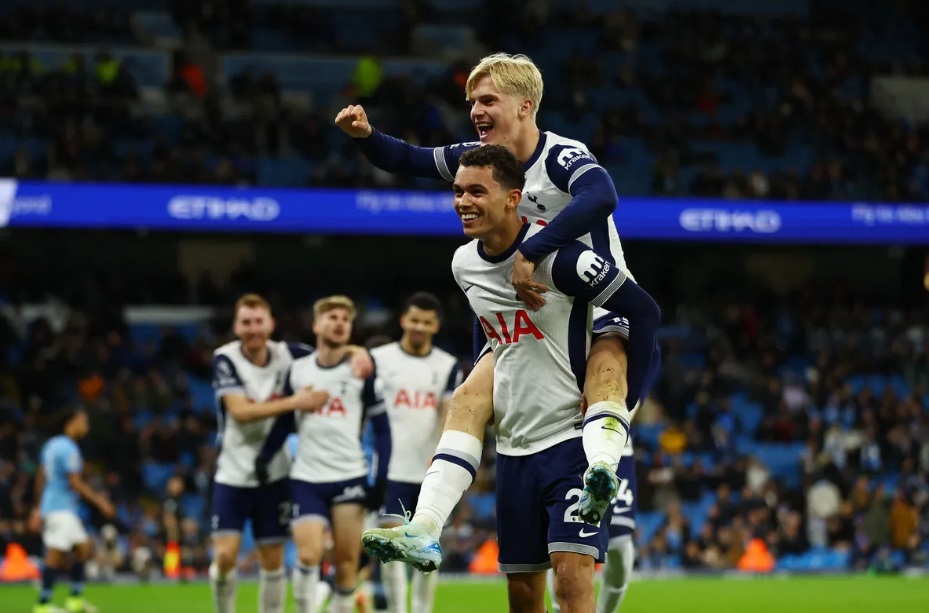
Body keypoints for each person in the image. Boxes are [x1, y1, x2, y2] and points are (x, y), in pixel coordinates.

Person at [338, 52, 657, 604]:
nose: (476, 111)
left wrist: (531, 251)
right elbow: (411, 159)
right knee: (467, 397)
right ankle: (425, 527)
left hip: (594, 301)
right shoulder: (478, 162)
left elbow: (603, 196)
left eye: (488, 101)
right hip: (526, 319)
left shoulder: (562, 155)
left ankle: (603, 465)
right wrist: (367, 136)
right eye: (471, 103)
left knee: (604, 380)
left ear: (525, 105)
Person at [209, 293, 371, 613]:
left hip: (277, 471)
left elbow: (329, 350)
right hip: (233, 470)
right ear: (236, 327)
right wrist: (296, 402)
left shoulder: (289, 355)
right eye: (246, 322)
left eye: (259, 321)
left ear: (270, 324)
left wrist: (359, 351)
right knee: (225, 556)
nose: (253, 329)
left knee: (272, 559)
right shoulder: (225, 359)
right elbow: (240, 412)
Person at [288, 295, 392, 613]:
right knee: (308, 555)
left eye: (346, 319)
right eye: (332, 317)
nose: (339, 323)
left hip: (349, 475)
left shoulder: (362, 370)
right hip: (306, 476)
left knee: (347, 565)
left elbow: (383, 428)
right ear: (316, 324)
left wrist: (381, 480)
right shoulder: (296, 367)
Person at [370, 292, 462, 613]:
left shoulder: (448, 366)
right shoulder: (379, 359)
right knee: (391, 548)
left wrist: (440, 453)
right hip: (391, 468)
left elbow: (448, 412)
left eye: (426, 322)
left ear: (436, 325)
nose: (419, 326)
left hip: (429, 471)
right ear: (402, 320)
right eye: (414, 320)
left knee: (427, 548)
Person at [31, 408, 116, 613]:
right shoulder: (70, 448)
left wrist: (37, 506)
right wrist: (101, 502)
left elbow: (41, 476)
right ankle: (43, 604)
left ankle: (75, 600)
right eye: (83, 421)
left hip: (54, 506)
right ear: (71, 422)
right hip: (61, 508)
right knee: (55, 553)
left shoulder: (50, 445)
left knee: (84, 549)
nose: (86, 426)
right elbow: (75, 483)